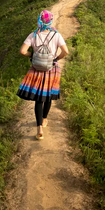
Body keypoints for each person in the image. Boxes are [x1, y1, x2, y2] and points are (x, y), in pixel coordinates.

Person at [17, 10, 69, 140]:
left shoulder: (33, 35)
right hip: (51, 69)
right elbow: (66, 52)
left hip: (36, 69)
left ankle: (39, 127)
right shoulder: (56, 35)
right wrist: (56, 58)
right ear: (50, 20)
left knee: (38, 99)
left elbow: (22, 51)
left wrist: (32, 55)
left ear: (39, 20)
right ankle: (44, 119)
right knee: (48, 97)